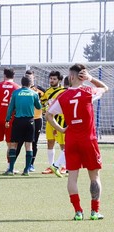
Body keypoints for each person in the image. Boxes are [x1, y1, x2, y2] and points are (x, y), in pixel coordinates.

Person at [46, 63, 108, 221]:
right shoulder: (88, 91)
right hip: (88, 140)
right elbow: (105, 88)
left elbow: (48, 115)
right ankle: (94, 212)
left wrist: (61, 129)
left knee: (72, 177)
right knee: (94, 176)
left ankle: (78, 212)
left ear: (70, 77)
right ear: (82, 76)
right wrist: (91, 79)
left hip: (71, 140)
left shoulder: (63, 96)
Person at [4, 75, 42, 176]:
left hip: (18, 121)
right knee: (28, 145)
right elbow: (39, 106)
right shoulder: (34, 93)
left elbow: (10, 107)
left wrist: (7, 119)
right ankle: (26, 170)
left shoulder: (16, 93)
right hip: (30, 121)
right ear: (30, 84)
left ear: (21, 83)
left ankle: (11, 169)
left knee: (14, 145)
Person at [15, 70, 45, 172]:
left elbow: (46, 101)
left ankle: (30, 165)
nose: (29, 78)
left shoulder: (40, 90)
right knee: (19, 142)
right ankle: (12, 165)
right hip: (23, 119)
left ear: (34, 78)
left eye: (30, 77)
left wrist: (45, 110)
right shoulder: (20, 90)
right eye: (27, 77)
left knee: (34, 143)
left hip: (37, 119)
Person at [40, 71, 66, 175]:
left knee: (63, 144)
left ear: (59, 80)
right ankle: (51, 166)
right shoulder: (47, 91)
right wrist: (44, 108)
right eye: (51, 78)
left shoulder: (64, 91)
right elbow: (43, 103)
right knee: (50, 142)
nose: (52, 80)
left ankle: (64, 166)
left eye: (54, 79)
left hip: (61, 120)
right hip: (50, 120)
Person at [49, 76, 70, 177]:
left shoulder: (60, 94)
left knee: (66, 146)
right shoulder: (67, 93)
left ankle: (63, 166)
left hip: (60, 123)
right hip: (67, 123)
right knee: (68, 146)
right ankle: (58, 165)